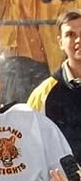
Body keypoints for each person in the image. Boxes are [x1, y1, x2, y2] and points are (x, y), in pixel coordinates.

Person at [28, 9, 81, 159]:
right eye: (71, 35)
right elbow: (32, 146)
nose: (78, 40)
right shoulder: (42, 95)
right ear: (60, 43)